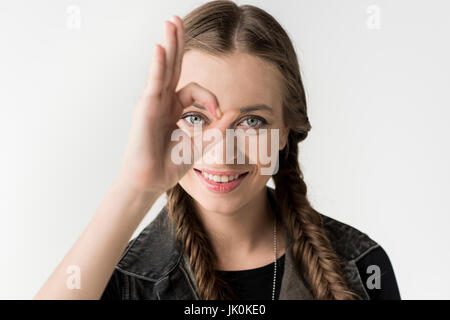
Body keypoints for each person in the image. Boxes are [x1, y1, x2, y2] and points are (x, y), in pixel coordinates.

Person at [34, 0, 400, 300]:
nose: (223, 153)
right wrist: (135, 186)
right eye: (195, 119)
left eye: (252, 121)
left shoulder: (361, 267)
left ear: (287, 130)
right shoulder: (117, 280)